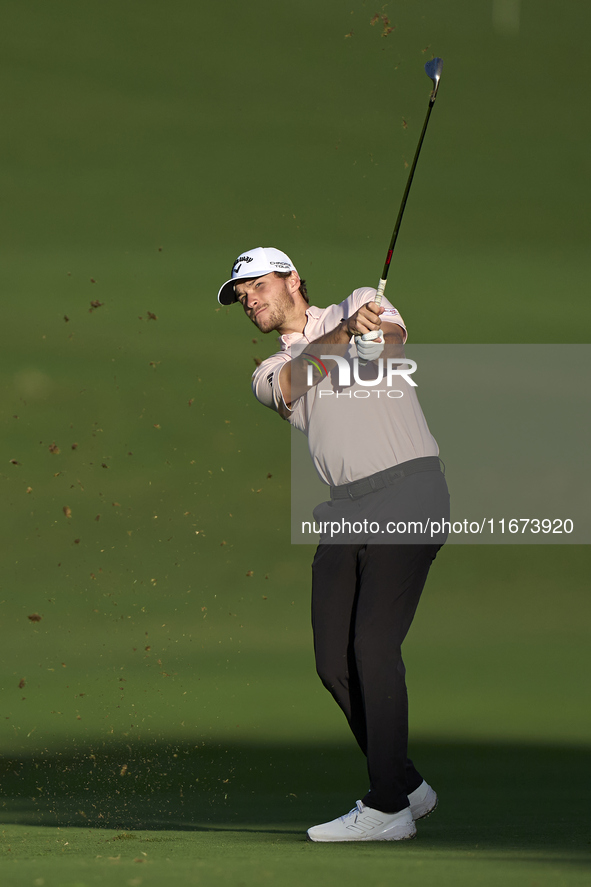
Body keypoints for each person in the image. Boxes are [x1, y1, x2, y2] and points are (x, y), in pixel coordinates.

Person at [217, 246, 449, 842]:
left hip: (409, 490)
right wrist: (345, 338)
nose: (249, 299)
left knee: (373, 648)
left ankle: (387, 807)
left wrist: (363, 331)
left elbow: (391, 347)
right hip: (345, 510)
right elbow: (301, 379)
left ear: (293, 279)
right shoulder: (267, 373)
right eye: (241, 295)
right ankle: (406, 784)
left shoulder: (360, 302)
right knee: (333, 663)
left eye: (256, 285)